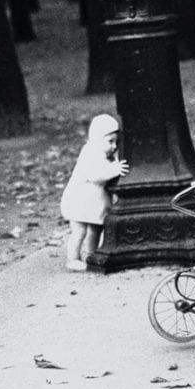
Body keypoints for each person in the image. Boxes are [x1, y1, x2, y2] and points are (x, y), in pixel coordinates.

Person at [59, 114, 130, 271]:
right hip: (79, 201)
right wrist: (115, 169)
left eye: (116, 142)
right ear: (98, 138)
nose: (114, 146)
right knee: (79, 231)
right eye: (110, 141)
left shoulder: (103, 153)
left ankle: (92, 255)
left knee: (95, 229)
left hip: (92, 204)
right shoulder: (90, 153)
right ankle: (73, 258)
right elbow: (95, 175)